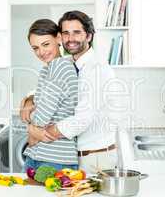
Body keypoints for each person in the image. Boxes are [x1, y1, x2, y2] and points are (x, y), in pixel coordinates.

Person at [24, 11, 117, 173]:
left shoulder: (97, 69)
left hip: (94, 158)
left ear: (88, 36)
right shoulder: (68, 63)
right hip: (73, 154)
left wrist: (36, 132)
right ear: (60, 37)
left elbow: (82, 119)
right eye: (66, 33)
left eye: (77, 33)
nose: (70, 38)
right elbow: (50, 91)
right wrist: (29, 99)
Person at [20, 19, 79, 171]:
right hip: (38, 155)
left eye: (45, 44)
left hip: (55, 160)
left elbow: (42, 116)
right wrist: (29, 104)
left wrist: (31, 129)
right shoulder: (47, 70)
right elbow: (38, 108)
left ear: (58, 38)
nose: (41, 52)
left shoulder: (62, 67)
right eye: (35, 48)